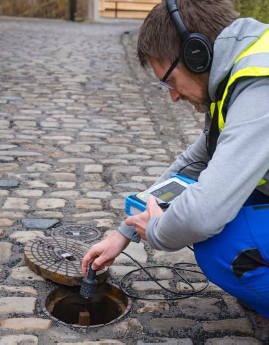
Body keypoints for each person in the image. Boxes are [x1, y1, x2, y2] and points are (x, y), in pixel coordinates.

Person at [82, 0, 269, 318]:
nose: (172, 95)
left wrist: (155, 231)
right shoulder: (238, 73)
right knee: (183, 210)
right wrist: (123, 234)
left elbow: (202, 215)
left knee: (218, 246)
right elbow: (194, 163)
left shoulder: (259, 89)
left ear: (197, 55)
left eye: (169, 80)